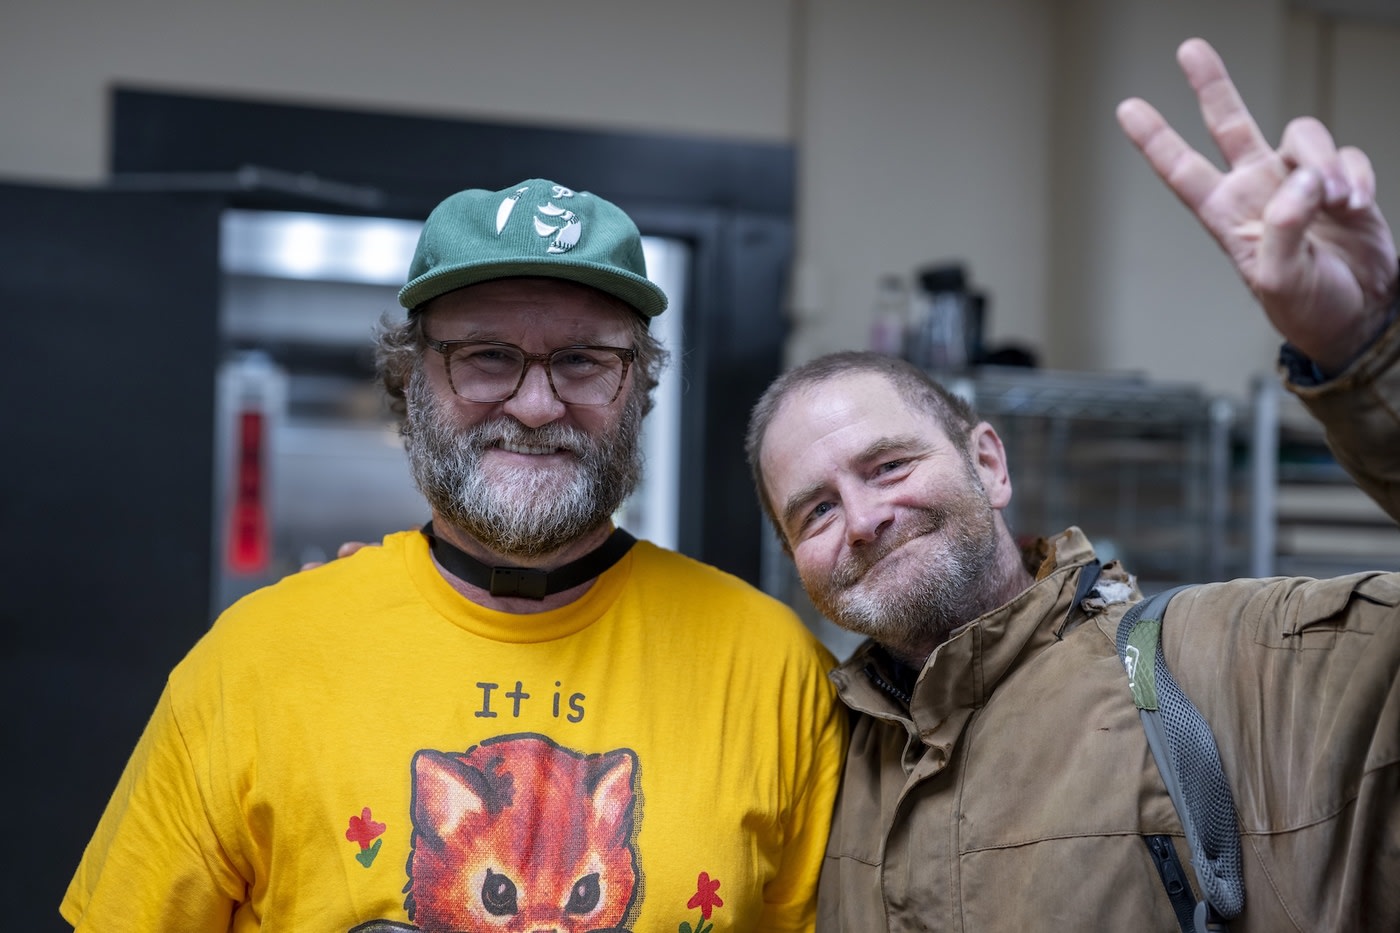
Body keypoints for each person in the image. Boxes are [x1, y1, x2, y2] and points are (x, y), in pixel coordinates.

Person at [61, 179, 848, 931]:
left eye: (582, 359)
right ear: (411, 382)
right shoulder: (253, 663)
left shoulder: (776, 674)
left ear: (636, 389)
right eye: (487, 355)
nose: (535, 405)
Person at [746, 38, 1399, 932]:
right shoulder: (820, 759)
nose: (862, 518)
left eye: (889, 465)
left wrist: (1370, 352)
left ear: (989, 462)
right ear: (794, 557)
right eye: (815, 510)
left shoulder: (1229, 664)